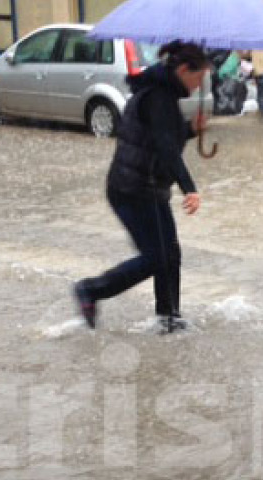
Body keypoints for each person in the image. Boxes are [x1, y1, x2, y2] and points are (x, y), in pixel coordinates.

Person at [73, 41, 210, 334]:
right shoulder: (158, 97)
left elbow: (159, 137)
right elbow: (164, 148)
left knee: (169, 255)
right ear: (184, 70)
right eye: (198, 79)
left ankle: (169, 317)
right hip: (132, 190)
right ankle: (91, 290)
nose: (198, 87)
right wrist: (190, 188)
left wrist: (189, 130)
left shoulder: (163, 94)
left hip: (148, 189)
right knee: (157, 257)